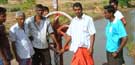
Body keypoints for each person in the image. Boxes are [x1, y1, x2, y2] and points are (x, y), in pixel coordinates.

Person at [109, 0, 127, 65]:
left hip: (118, 37)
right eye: (111, 5)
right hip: (114, 37)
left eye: (114, 5)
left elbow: (124, 22)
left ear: (117, 5)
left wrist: (120, 32)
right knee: (119, 54)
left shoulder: (118, 13)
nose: (113, 6)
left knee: (118, 52)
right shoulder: (112, 13)